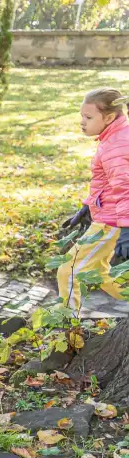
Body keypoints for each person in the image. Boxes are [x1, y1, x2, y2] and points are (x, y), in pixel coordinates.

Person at [58, 87, 129, 311]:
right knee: (99, 275)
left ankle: (69, 330)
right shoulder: (114, 138)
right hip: (107, 216)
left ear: (108, 117)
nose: (82, 122)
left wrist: (126, 230)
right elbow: (104, 183)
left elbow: (125, 188)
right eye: (82, 116)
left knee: (67, 272)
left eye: (88, 117)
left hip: (112, 222)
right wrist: (85, 208)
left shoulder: (116, 146)